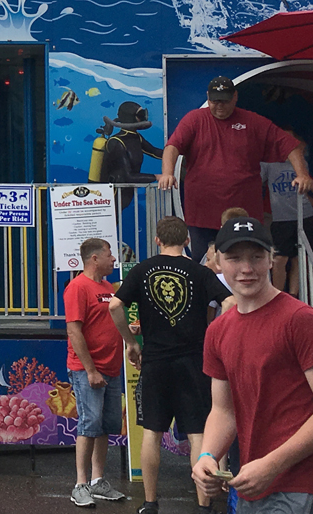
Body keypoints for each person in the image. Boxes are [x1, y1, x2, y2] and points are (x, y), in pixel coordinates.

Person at [108, 216, 233, 514]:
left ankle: (150, 502)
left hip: (156, 362)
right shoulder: (200, 271)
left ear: (157, 240)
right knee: (197, 433)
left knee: (152, 431)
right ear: (188, 240)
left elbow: (114, 305)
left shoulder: (143, 269)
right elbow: (228, 302)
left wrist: (131, 342)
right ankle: (205, 505)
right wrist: (216, 339)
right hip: (193, 362)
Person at [192, 216, 313, 514]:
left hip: (299, 483)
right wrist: (208, 455)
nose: (246, 269)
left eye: (256, 257)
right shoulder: (218, 331)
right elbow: (224, 410)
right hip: (251, 483)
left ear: (271, 259)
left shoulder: (300, 320)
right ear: (217, 262)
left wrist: (272, 465)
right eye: (234, 258)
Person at [159, 76, 313, 263]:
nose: (220, 106)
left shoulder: (253, 121)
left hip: (244, 214)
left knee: (245, 264)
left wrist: (303, 175)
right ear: (208, 97)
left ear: (235, 97)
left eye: (225, 100)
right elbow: (172, 146)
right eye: (215, 101)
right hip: (202, 213)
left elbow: (290, 145)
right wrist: (167, 173)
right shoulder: (194, 119)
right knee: (204, 264)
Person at [65, 237, 127, 507]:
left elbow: (110, 320)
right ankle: (80, 484)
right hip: (88, 370)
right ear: (94, 259)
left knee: (105, 426)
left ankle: (98, 480)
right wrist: (90, 370)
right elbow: (74, 330)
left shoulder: (107, 288)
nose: (114, 259)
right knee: (89, 425)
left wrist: (130, 334)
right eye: (109, 255)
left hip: (111, 368)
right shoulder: (77, 287)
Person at [261, 129, 313, 296]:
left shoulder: (301, 161)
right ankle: (278, 295)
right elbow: (255, 180)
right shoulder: (269, 164)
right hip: (281, 217)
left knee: (299, 257)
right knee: (279, 258)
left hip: (304, 214)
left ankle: (294, 295)